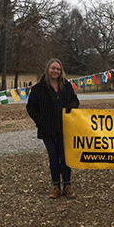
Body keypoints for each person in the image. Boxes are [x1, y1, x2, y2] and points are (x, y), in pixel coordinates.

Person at [26, 59, 80, 199]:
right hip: (47, 131)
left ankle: (67, 185)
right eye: (53, 68)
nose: (55, 71)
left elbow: (76, 101)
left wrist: (71, 106)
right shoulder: (38, 88)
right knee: (53, 158)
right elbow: (30, 107)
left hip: (65, 128)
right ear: (47, 69)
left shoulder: (66, 86)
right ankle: (55, 185)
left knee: (65, 157)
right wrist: (40, 121)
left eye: (58, 69)